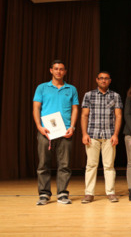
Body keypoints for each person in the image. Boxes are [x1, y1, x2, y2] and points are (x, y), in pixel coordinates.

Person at [33, 60, 79, 205]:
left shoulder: (71, 89)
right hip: (45, 132)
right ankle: (44, 194)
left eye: (61, 69)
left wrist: (72, 126)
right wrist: (39, 127)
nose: (59, 71)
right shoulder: (42, 88)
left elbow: (75, 109)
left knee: (64, 165)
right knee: (43, 164)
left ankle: (62, 194)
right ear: (51, 70)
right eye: (56, 69)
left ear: (65, 72)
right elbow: (36, 108)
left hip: (65, 131)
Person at [81, 71, 123, 203]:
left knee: (109, 166)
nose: (103, 81)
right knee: (91, 165)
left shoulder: (115, 96)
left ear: (110, 81)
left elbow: (118, 116)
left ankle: (110, 192)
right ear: (97, 80)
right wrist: (84, 134)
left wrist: (115, 134)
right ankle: (89, 193)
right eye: (101, 78)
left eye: (106, 79)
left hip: (109, 136)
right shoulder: (89, 95)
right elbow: (84, 115)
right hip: (92, 135)